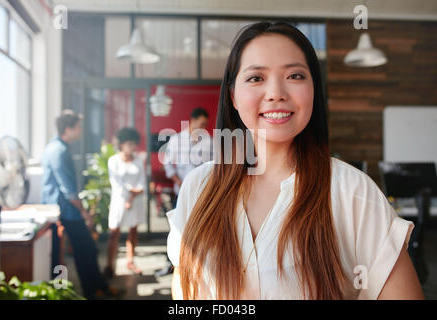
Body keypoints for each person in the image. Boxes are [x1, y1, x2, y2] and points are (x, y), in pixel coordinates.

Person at [166, 22, 424, 300]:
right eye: (256, 78)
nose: (276, 93)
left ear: (314, 90)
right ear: (233, 97)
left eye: (295, 75)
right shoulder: (198, 187)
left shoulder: (353, 192)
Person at [41, 109, 122, 299]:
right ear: (67, 129)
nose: (80, 131)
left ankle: (94, 288)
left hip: (61, 210)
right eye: (77, 127)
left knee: (83, 250)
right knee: (85, 249)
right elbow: (68, 190)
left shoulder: (55, 147)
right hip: (64, 211)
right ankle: (92, 290)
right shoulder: (59, 151)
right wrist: (84, 212)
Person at [155, 107, 212, 277]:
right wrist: (179, 182)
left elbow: (213, 164)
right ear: (192, 121)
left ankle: (197, 265)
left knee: (201, 228)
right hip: (181, 191)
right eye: (201, 123)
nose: (203, 127)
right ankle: (172, 265)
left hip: (202, 191)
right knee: (178, 227)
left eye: (205, 124)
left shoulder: (208, 140)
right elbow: (168, 164)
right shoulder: (176, 140)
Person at [105, 128, 146, 278]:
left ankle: (130, 260)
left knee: (133, 231)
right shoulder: (113, 161)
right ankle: (110, 265)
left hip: (135, 201)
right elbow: (117, 183)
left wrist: (134, 195)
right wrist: (131, 194)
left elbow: (142, 182)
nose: (132, 147)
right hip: (120, 201)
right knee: (114, 232)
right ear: (121, 144)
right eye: (129, 144)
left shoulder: (138, 161)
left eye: (134, 144)